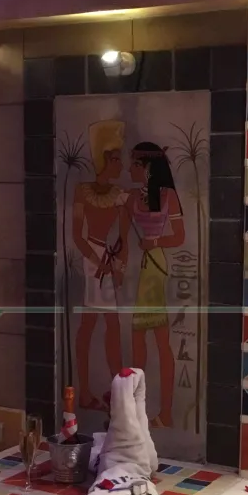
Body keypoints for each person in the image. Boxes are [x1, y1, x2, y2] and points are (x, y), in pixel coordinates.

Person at [71, 120, 130, 411]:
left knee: (105, 324)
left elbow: (124, 237)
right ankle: (87, 392)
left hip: (107, 259)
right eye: (116, 159)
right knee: (93, 324)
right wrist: (98, 264)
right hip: (93, 259)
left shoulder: (120, 195)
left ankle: (113, 391)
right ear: (104, 160)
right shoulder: (82, 191)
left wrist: (118, 266)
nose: (121, 164)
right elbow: (77, 235)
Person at [126, 142, 185, 428]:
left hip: (156, 265)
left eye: (135, 164)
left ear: (148, 167)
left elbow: (179, 236)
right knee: (142, 338)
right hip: (144, 267)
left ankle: (165, 411)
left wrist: (155, 241)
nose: (130, 169)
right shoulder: (133, 196)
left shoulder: (167, 196)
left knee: (156, 338)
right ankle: (142, 410)